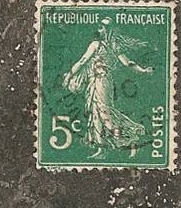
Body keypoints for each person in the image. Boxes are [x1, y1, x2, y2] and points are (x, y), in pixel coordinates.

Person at [63, 17, 151, 158]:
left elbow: (83, 61)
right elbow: (128, 63)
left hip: (102, 82)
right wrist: (143, 70)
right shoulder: (111, 46)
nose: (100, 29)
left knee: (104, 113)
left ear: (109, 30)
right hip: (96, 81)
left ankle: (129, 140)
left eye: (103, 27)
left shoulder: (99, 45)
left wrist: (69, 76)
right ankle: (101, 149)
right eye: (100, 27)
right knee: (96, 113)